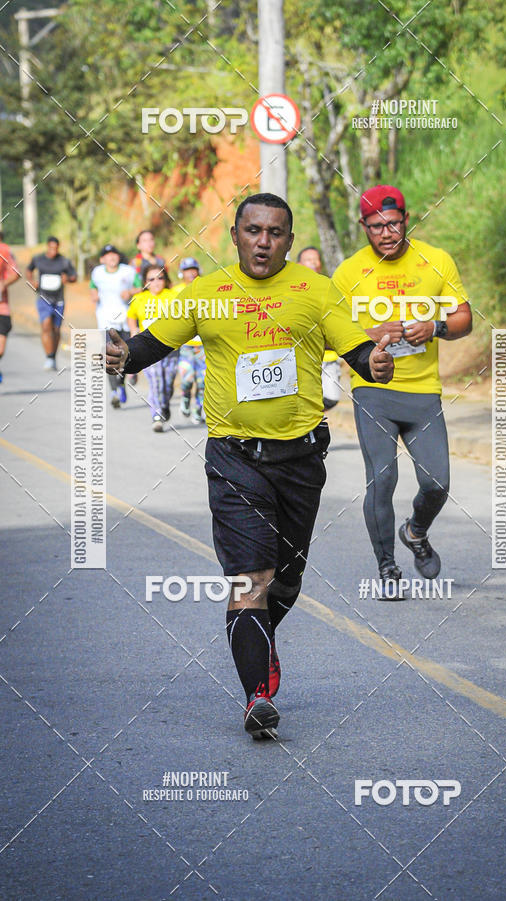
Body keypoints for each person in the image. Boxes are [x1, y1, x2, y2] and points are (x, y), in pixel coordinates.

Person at [107, 193, 393, 738]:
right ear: (234, 235)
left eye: (276, 232)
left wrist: (374, 362)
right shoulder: (209, 293)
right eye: (254, 230)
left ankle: (260, 646)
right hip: (234, 457)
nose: (264, 241)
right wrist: (123, 356)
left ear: (289, 238)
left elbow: (358, 351)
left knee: (285, 582)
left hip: (302, 457)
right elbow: (149, 345)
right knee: (249, 579)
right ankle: (256, 695)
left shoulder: (315, 290)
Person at [331, 185, 472, 588]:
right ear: (363, 227)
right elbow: (328, 331)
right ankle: (386, 566)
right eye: (376, 226)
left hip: (423, 390)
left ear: (407, 219)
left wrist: (436, 327)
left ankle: (415, 531)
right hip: (372, 389)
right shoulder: (349, 272)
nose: (386, 233)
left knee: (437, 483)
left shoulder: (436, 261)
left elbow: (465, 319)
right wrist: (369, 333)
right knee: (383, 476)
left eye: (393, 223)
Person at [127, 265, 179, 432]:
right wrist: (133, 332)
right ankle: (156, 415)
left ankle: (164, 406)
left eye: (160, 278)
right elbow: (131, 317)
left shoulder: (174, 296)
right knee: (156, 381)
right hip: (149, 348)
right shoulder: (139, 299)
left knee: (168, 383)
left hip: (171, 348)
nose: (156, 282)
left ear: (166, 280)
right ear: (145, 282)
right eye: (151, 279)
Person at [90, 244, 137, 408]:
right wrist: (93, 294)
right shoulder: (97, 272)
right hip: (105, 319)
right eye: (107, 255)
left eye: (114, 254)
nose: (111, 257)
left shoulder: (128, 271)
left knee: (124, 355)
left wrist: (131, 292)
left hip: (125, 318)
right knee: (109, 355)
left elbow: (141, 287)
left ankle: (121, 383)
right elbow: (93, 286)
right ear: (102, 259)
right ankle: (114, 391)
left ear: (118, 256)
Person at [297, 246, 342, 410]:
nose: (314, 263)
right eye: (309, 259)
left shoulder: (329, 288)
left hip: (329, 359)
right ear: (299, 264)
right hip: (303, 360)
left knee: (331, 398)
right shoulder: (291, 290)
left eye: (316, 259)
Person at [26, 236, 76, 370]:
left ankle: (53, 356)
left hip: (59, 299)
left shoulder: (64, 261)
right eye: (51, 248)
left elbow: (74, 276)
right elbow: (29, 270)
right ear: (47, 247)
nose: (53, 251)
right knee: (46, 325)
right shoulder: (38, 259)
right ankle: (48, 357)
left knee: (56, 329)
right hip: (43, 298)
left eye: (56, 248)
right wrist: (32, 282)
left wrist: (68, 279)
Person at [172, 257, 206, 425]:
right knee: (186, 379)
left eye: (193, 269)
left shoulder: (206, 289)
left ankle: (198, 409)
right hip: (185, 345)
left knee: (203, 381)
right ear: (181, 273)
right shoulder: (175, 291)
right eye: (187, 270)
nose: (191, 273)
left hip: (204, 346)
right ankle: (185, 397)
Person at [0, 233, 22, 385]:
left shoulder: (5, 250)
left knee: (0, 349)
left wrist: (3, 284)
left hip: (2, 307)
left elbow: (16, 273)